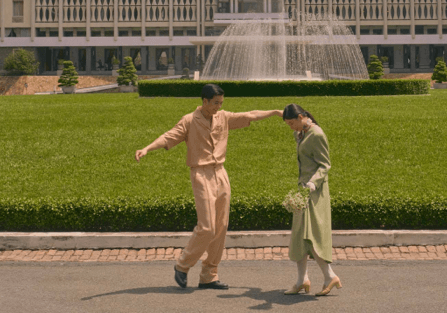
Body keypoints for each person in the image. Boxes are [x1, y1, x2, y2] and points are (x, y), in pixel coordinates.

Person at [135, 84, 282, 290]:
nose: (218, 107)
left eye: (221, 103)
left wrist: (275, 112)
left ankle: (209, 275)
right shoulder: (189, 120)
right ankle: (182, 265)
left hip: (221, 173)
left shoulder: (224, 117)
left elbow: (251, 115)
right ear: (204, 101)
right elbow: (169, 137)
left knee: (221, 227)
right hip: (201, 173)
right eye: (215, 103)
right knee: (207, 227)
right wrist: (147, 148)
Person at [282, 103, 342, 297]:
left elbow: (325, 165)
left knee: (312, 235)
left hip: (315, 191)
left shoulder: (317, 135)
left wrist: (313, 183)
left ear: (301, 117)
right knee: (300, 235)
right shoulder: (300, 134)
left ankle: (329, 276)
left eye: (292, 123)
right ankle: (302, 280)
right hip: (303, 191)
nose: (291, 127)